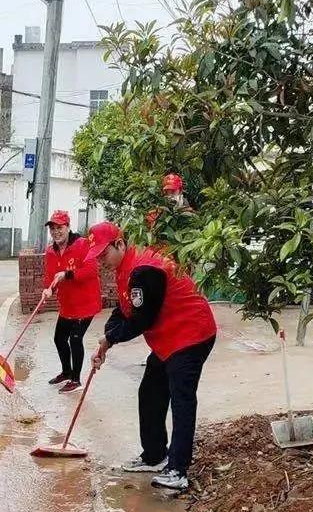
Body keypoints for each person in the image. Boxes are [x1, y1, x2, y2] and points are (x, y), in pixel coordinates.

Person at [87, 221, 217, 491]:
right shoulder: (126, 270)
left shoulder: (145, 270)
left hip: (190, 333)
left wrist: (110, 339)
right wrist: (106, 340)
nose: (101, 261)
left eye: (103, 254)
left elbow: (141, 320)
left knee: (181, 400)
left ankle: (178, 470)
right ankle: (155, 455)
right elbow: (124, 311)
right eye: (97, 256)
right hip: (168, 340)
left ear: (120, 244)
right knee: (150, 392)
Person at [41, 210, 103, 393]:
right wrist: (48, 289)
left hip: (86, 304)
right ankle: (66, 372)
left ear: (68, 227)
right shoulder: (50, 251)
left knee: (75, 338)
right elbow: (50, 276)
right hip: (67, 304)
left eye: (59, 227)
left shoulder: (82, 244)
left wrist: (68, 274)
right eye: (52, 228)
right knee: (59, 338)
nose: (56, 231)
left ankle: (76, 379)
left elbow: (91, 271)